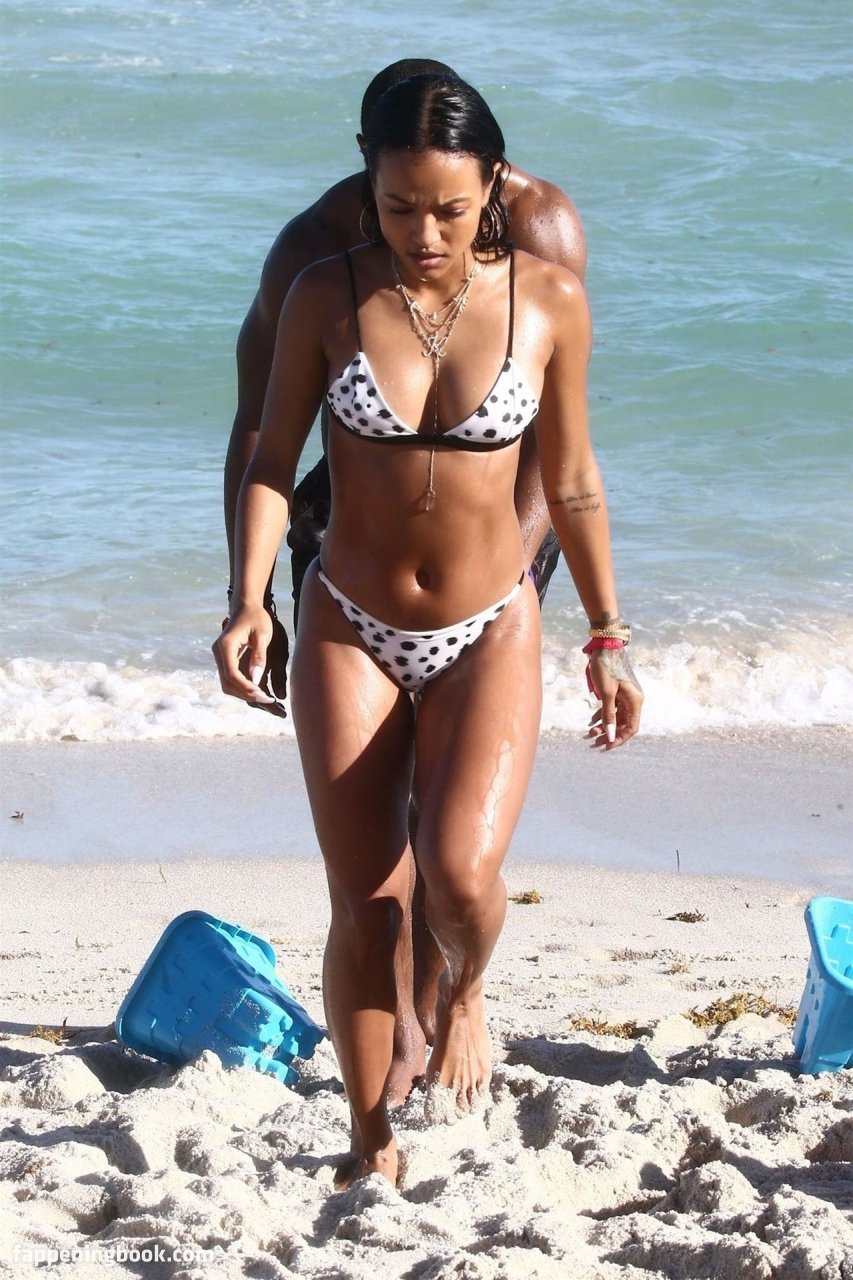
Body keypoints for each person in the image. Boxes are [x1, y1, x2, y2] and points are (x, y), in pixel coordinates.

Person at [214, 72, 643, 1188]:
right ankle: (370, 1140)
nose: (424, 232)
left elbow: (573, 478)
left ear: (492, 185)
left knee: (456, 877)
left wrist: (606, 633)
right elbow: (269, 457)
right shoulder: (322, 288)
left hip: (489, 620)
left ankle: (465, 989)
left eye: (449, 209)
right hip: (348, 619)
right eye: (399, 205)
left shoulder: (548, 297)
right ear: (368, 182)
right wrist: (250, 598)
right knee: (366, 902)